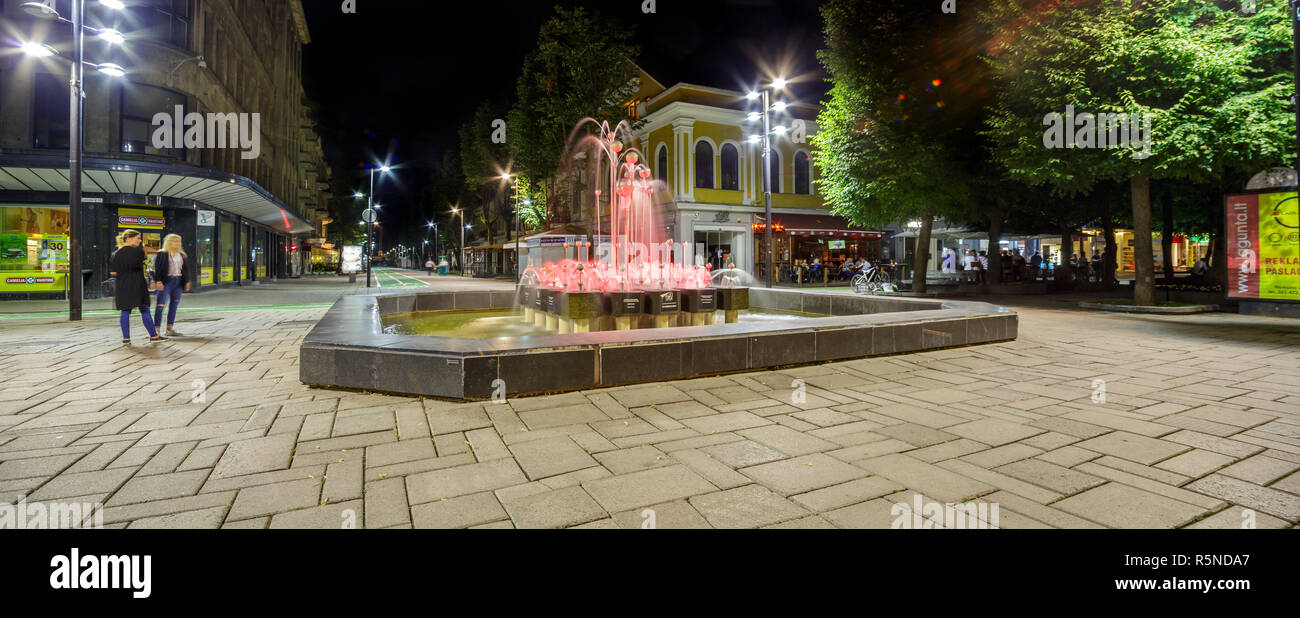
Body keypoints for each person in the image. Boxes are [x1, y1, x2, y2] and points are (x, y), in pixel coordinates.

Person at [111, 230, 163, 345]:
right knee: (144, 309)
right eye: (138, 238)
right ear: (129, 238)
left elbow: (113, 272)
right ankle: (153, 336)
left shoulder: (116, 253)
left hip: (122, 285)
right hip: (137, 284)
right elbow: (141, 266)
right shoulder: (139, 252)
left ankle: (126, 338)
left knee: (125, 310)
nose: (140, 241)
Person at [151, 234, 191, 338]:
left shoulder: (182, 255)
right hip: (166, 281)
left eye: (179, 241)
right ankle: (156, 330)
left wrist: (187, 281)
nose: (177, 243)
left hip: (178, 281)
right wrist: (158, 280)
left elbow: (185, 269)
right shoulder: (162, 254)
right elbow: (158, 268)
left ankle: (170, 329)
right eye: (175, 241)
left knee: (174, 305)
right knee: (160, 306)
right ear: (169, 242)